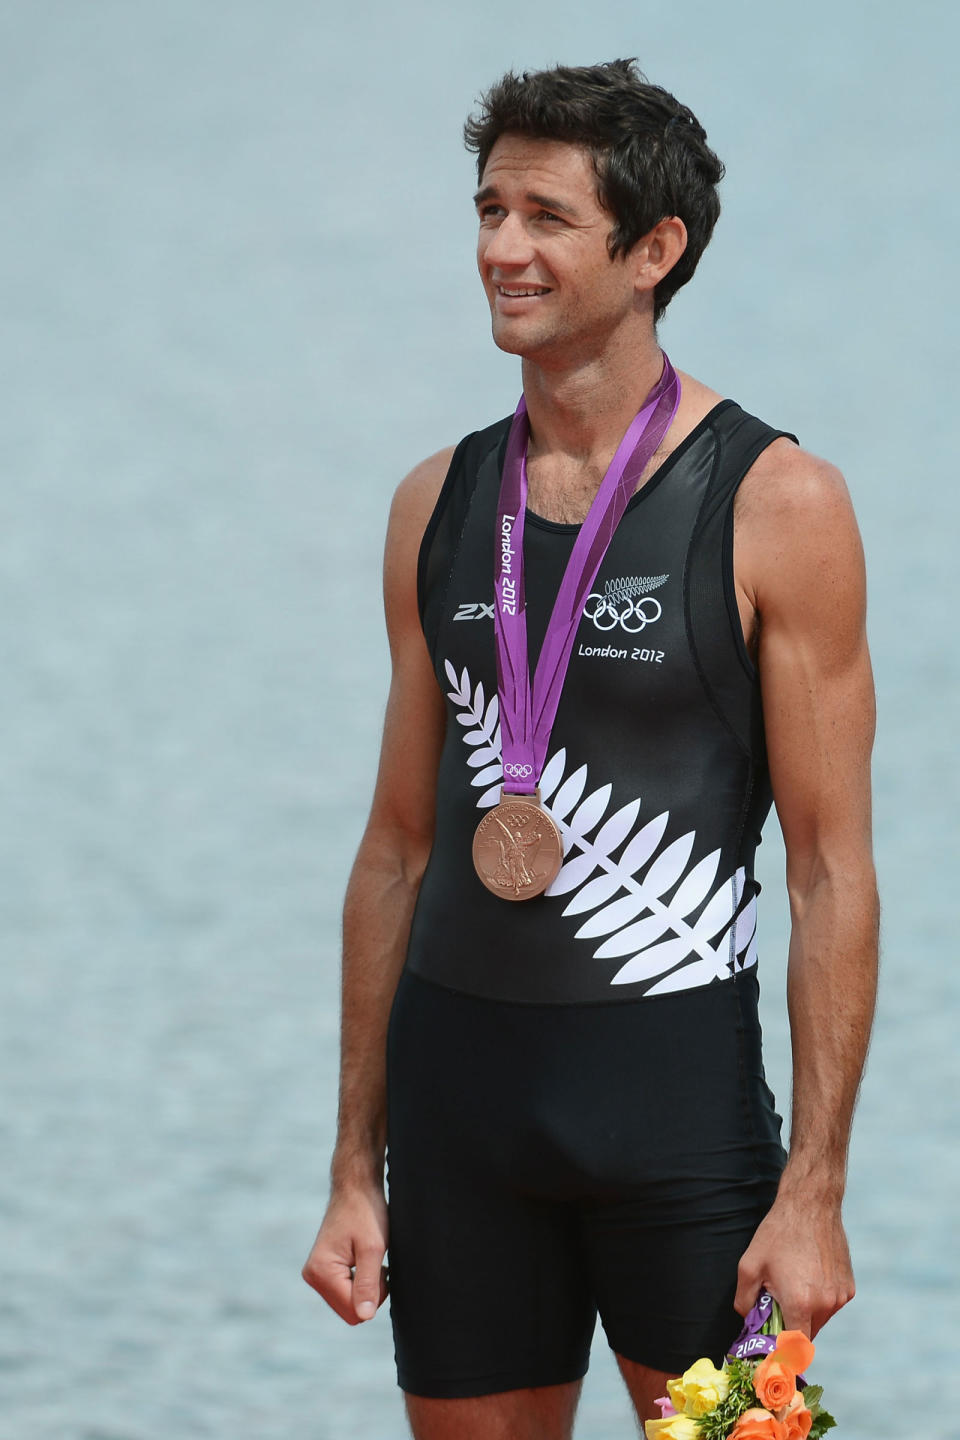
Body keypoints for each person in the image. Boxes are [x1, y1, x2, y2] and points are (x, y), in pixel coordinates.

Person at [302, 60, 878, 1440]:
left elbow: (828, 874)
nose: (502, 248)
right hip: (459, 1132)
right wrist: (351, 1167)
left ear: (654, 249)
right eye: (490, 209)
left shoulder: (775, 502)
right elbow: (395, 849)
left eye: (548, 217)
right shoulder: (436, 503)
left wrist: (814, 1196)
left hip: (681, 1132)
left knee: (749, 1439)